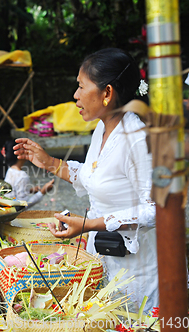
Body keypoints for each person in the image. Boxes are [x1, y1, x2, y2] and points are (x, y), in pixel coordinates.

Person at [13, 48, 158, 311]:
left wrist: (89, 224)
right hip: (104, 259)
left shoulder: (136, 139)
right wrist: (51, 163)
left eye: (81, 86)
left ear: (107, 93)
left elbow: (155, 210)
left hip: (138, 270)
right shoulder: (103, 128)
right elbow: (94, 177)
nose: (75, 95)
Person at [3, 140, 54, 207]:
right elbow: (23, 206)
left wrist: (29, 190)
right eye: (24, 148)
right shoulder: (22, 176)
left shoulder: (10, 169)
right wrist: (42, 192)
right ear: (19, 154)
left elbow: (13, 193)